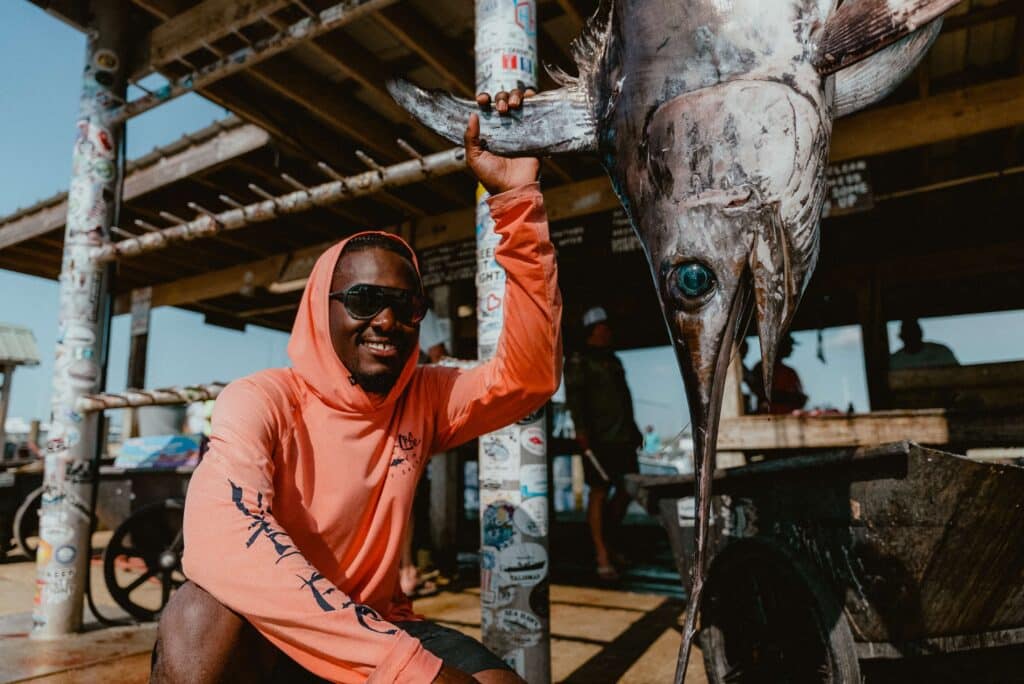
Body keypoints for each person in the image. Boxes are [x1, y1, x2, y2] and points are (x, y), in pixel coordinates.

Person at [152, 90, 561, 684]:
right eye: (365, 300)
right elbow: (226, 540)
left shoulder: (422, 396)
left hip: (374, 625)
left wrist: (516, 200)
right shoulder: (262, 400)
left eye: (406, 304)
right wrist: (405, 668)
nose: (388, 321)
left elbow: (529, 379)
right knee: (199, 613)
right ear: (322, 307)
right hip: (276, 636)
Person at [564, 306, 642, 581]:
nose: (608, 331)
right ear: (592, 330)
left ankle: (609, 541)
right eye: (603, 326)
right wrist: (582, 432)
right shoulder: (578, 360)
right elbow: (574, 399)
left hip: (622, 438)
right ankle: (601, 554)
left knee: (627, 489)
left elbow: (625, 399)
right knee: (598, 491)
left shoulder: (614, 360)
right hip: (597, 439)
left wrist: (634, 429)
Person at [751, 334, 808, 414]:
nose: (792, 349)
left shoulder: (790, 372)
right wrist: (786, 397)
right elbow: (758, 390)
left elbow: (799, 396)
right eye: (788, 345)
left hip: (788, 416)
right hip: (767, 416)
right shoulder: (762, 367)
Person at [889, 318, 959, 370]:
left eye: (913, 332)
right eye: (908, 333)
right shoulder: (894, 361)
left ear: (920, 333)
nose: (911, 337)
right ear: (902, 336)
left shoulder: (942, 352)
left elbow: (958, 374)